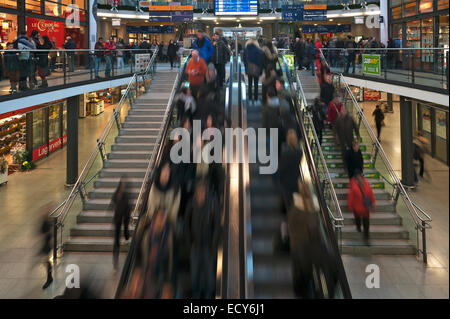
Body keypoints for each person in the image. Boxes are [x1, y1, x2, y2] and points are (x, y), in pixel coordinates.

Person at [184, 180, 221, 298]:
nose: (200, 195)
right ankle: (196, 294)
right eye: (198, 192)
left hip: (208, 244)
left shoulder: (212, 204)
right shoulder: (191, 203)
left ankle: (208, 295)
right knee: (195, 273)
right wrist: (189, 241)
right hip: (195, 244)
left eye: (202, 192)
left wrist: (213, 244)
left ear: (205, 192)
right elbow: (186, 224)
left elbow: (217, 224)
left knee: (208, 273)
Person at [146, 162, 181, 231]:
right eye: (164, 171)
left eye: (167, 171)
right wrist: (157, 217)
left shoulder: (175, 188)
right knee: (140, 228)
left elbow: (175, 208)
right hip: (154, 218)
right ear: (160, 173)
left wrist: (165, 218)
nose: (166, 174)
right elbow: (151, 205)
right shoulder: (153, 187)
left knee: (176, 231)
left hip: (169, 220)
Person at [347, 169, 376, 241]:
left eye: (360, 176)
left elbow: (370, 193)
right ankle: (358, 227)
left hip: (365, 207)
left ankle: (366, 235)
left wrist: (373, 202)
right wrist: (350, 205)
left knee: (366, 222)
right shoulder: (353, 184)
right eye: (358, 176)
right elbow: (350, 195)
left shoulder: (366, 183)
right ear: (356, 177)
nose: (359, 177)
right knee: (358, 219)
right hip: (356, 207)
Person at [279, 129, 303, 211]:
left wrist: (280, 180)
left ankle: (290, 220)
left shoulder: (285, 153)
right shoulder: (300, 153)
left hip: (287, 182)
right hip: (296, 181)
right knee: (296, 203)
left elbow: (281, 168)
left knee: (288, 203)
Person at [111, 177, 131, 269]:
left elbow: (128, 206)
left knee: (126, 231)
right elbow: (113, 202)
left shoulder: (126, 194)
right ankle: (115, 259)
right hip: (118, 218)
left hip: (125, 217)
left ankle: (127, 240)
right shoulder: (117, 193)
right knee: (116, 239)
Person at [243, 37, 262, 102]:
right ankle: (256, 98)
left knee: (250, 83)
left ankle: (250, 97)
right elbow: (260, 61)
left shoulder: (246, 49)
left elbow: (244, 61)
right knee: (256, 84)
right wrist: (261, 70)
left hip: (249, 68)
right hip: (257, 69)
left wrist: (246, 69)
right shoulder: (258, 50)